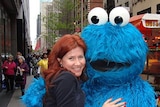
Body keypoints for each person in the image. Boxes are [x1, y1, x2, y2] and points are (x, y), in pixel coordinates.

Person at [42, 34, 126, 107]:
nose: (78, 63)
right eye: (71, 58)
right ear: (60, 60)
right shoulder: (66, 78)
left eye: (80, 57)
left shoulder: (61, 77)